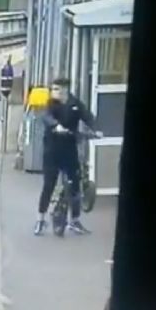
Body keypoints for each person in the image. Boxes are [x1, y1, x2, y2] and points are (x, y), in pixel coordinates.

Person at [34, 78, 102, 236]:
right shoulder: (51, 104)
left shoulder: (75, 104)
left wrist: (95, 129)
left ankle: (75, 221)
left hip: (69, 150)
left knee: (75, 187)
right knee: (48, 186)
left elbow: (88, 117)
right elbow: (46, 116)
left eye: (56, 89)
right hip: (52, 151)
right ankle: (40, 220)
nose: (53, 92)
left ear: (65, 90)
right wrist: (55, 125)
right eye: (53, 89)